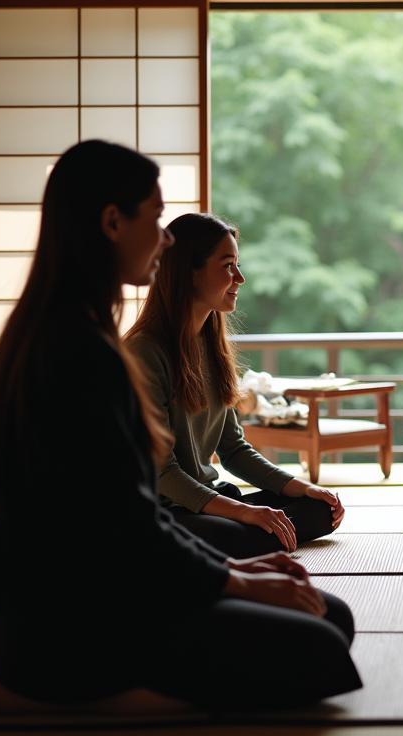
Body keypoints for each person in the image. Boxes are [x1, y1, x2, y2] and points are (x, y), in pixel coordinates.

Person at [0, 141, 361, 715]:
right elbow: (134, 522)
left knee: (332, 615)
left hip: (92, 594)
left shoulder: (64, 330)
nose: (165, 237)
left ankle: (43, 676)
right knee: (321, 648)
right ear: (111, 222)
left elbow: (128, 519)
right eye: (155, 217)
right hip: (72, 617)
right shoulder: (85, 353)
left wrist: (231, 569)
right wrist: (239, 581)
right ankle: (45, 691)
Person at [125, 212, 343, 559]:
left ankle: (242, 531)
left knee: (318, 510)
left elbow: (234, 450)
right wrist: (243, 512)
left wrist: (302, 487)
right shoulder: (144, 353)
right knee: (248, 534)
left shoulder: (211, 346)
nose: (239, 278)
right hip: (163, 512)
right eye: (228, 266)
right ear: (189, 272)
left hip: (207, 500)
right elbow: (162, 473)